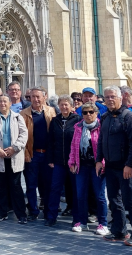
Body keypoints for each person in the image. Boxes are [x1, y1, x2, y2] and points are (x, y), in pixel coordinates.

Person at [96, 85, 132, 246]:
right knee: (114, 199)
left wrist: (130, 164)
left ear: (120, 98)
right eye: (107, 97)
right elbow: (101, 141)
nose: (110, 100)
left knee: (130, 200)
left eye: (113, 96)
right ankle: (119, 230)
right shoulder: (105, 117)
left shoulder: (129, 117)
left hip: (125, 166)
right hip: (110, 166)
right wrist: (99, 160)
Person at [0, 95, 28, 224]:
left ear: (10, 103)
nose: (2, 103)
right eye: (0, 101)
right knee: (0, 186)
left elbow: (23, 134)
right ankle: (1, 212)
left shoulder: (17, 117)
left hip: (14, 156)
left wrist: (15, 148)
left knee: (16, 186)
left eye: (5, 101)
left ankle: (21, 214)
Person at [69, 103, 109, 235]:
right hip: (82, 165)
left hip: (97, 165)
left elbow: (104, 147)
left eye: (91, 112)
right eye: (85, 112)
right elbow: (74, 146)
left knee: (100, 195)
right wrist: (72, 162)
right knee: (80, 195)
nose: (88, 115)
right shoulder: (78, 127)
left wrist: (102, 162)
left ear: (96, 113)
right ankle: (82, 221)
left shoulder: (101, 126)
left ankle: (103, 223)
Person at [21, 86, 55, 222]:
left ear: (44, 97)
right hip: (32, 154)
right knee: (31, 185)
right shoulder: (24, 114)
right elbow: (21, 137)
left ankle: (47, 211)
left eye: (38, 96)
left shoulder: (51, 112)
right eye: (32, 97)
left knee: (47, 185)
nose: (35, 99)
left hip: (47, 155)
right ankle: (33, 211)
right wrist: (25, 153)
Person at [46, 95, 81, 226]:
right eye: (61, 105)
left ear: (72, 106)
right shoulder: (55, 121)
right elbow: (50, 141)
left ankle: (77, 218)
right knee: (55, 188)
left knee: (75, 189)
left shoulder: (78, 120)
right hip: (58, 161)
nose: (64, 107)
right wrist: (50, 159)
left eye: (66, 104)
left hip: (73, 162)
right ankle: (51, 216)